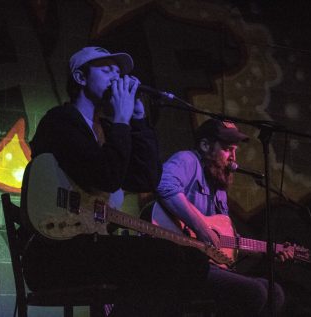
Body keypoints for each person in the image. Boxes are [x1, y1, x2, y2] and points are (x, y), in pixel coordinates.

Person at [20, 46, 209, 317]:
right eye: (107, 69)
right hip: (53, 255)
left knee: (195, 262)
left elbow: (147, 178)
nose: (117, 76)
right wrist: (121, 119)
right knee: (166, 257)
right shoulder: (60, 122)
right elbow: (106, 177)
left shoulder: (108, 130)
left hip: (90, 246)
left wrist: (139, 120)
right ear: (81, 78)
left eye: (119, 72)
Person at [155, 118, 294, 316]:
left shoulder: (219, 187)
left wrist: (268, 250)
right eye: (228, 149)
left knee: (275, 293)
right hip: (182, 263)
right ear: (205, 145)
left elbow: (224, 239)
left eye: (235, 150)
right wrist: (201, 228)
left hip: (210, 265)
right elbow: (164, 184)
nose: (234, 158)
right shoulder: (187, 160)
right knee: (254, 293)